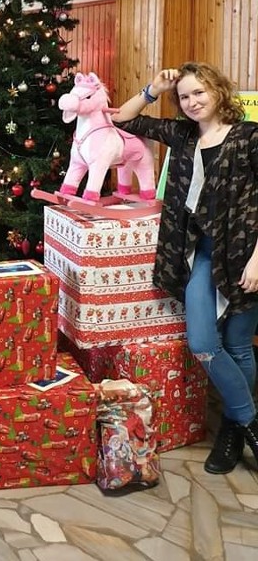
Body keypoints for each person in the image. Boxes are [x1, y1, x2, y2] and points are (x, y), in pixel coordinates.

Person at [112, 62, 258, 475]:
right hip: (200, 254)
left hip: (245, 256)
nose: (193, 102)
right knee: (204, 345)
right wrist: (153, 88)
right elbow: (124, 117)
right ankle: (250, 422)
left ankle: (231, 434)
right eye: (186, 96)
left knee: (239, 346)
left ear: (218, 90)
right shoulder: (181, 135)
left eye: (200, 92)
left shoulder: (249, 137)